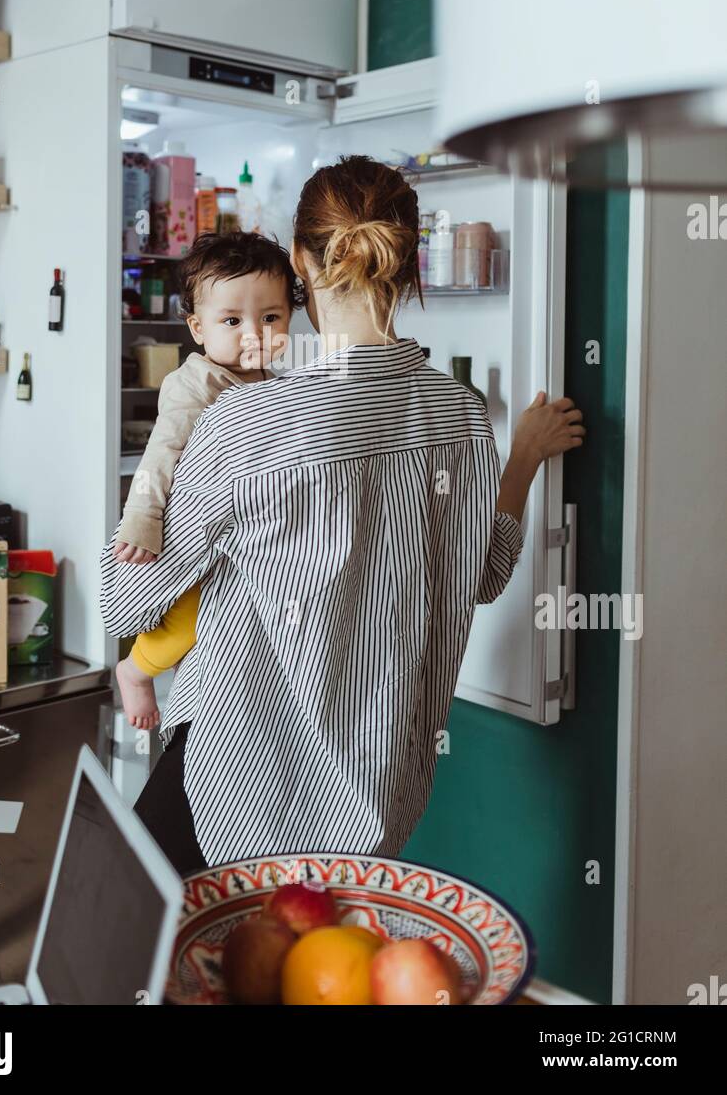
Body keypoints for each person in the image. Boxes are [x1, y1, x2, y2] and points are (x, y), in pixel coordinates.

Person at [99, 155, 584, 876]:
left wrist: (163, 482)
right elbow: (484, 573)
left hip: (235, 788)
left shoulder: (244, 419)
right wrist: (522, 462)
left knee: (133, 944)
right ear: (410, 262)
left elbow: (123, 599)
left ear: (300, 263)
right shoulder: (462, 416)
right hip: (377, 800)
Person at [114, 232, 303, 732]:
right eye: (232, 320)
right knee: (188, 621)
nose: (253, 334)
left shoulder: (276, 383)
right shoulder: (195, 384)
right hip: (188, 537)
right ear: (198, 328)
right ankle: (134, 670)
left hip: (243, 534)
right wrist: (141, 517)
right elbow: (161, 454)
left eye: (270, 317)